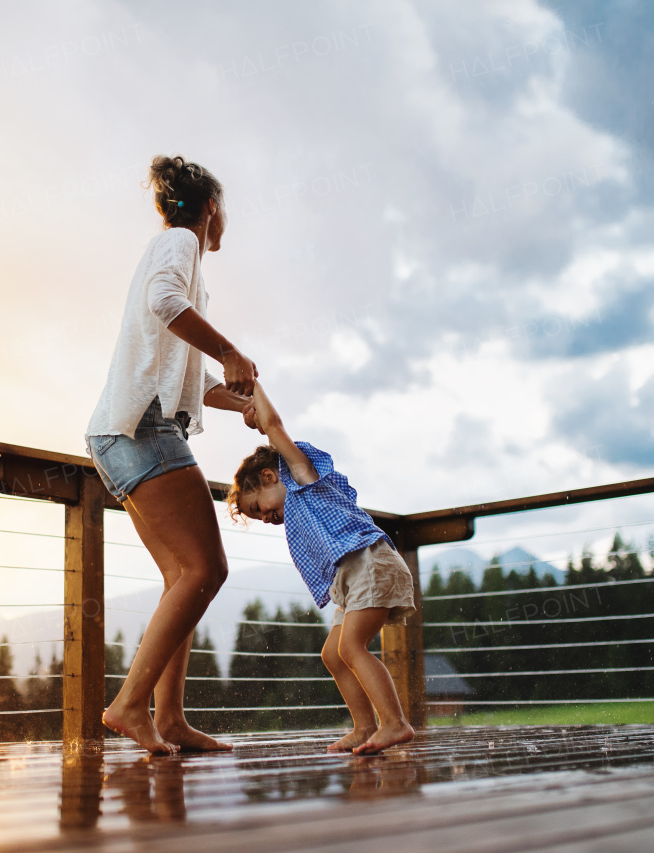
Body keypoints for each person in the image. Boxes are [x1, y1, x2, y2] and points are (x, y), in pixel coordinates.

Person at [86, 154, 257, 754]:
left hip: (124, 432)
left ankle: (169, 719)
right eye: (224, 208)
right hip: (141, 431)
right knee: (205, 569)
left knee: (183, 577)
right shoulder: (179, 243)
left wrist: (243, 401)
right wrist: (233, 351)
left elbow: (182, 374)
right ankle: (129, 706)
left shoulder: (178, 257)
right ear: (210, 208)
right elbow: (164, 303)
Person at [228, 383, 417, 754]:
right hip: (349, 577)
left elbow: (275, 425)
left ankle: (395, 723)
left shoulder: (303, 479)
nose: (266, 518)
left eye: (258, 508)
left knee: (352, 647)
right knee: (333, 653)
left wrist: (253, 387)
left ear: (269, 477)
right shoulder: (292, 500)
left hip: (370, 562)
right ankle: (364, 728)